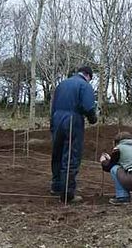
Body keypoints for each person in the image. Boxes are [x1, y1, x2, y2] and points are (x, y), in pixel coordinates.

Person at [51, 66, 98, 203]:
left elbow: (53, 106)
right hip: (72, 119)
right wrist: (93, 119)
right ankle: (67, 194)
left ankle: (56, 186)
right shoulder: (84, 85)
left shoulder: (62, 84)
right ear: (88, 75)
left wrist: (52, 125)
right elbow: (89, 107)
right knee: (71, 155)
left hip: (57, 118)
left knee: (57, 153)